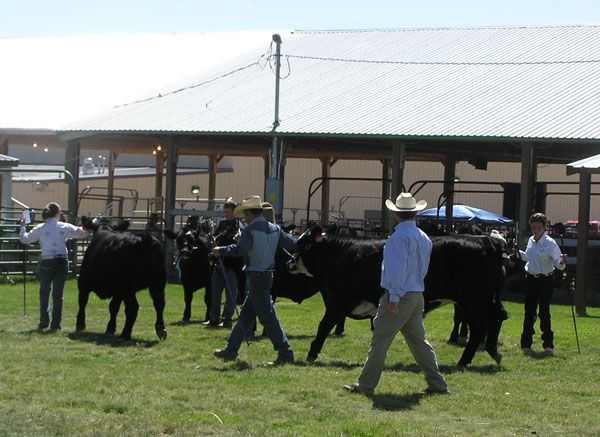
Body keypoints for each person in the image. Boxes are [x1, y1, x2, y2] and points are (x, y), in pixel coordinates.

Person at [344, 192, 448, 396]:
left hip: (400, 296)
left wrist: (394, 297)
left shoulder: (397, 238)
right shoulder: (424, 238)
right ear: (415, 213)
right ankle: (437, 384)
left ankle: (366, 385)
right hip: (417, 294)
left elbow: (395, 271)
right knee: (419, 343)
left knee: (380, 341)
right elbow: (423, 268)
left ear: (396, 214)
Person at [211, 195, 296, 365]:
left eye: (245, 214)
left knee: (268, 317)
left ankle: (285, 353)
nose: (244, 217)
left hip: (256, 276)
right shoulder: (275, 229)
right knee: (246, 315)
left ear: (250, 212)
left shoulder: (249, 231)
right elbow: (293, 244)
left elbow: (239, 250)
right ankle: (231, 349)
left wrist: (221, 249)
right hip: (267, 275)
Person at [19, 202, 88, 331]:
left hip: (47, 261)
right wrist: (89, 224)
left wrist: (22, 226)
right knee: (58, 295)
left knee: (44, 292)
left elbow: (25, 239)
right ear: (58, 213)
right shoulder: (65, 226)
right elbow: (82, 233)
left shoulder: (40, 228)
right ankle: (56, 325)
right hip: (62, 261)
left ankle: (43, 322)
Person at [517, 212, 567, 356]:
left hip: (546, 280)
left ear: (544, 228)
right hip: (531, 279)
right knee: (529, 312)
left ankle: (548, 344)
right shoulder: (531, 241)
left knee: (544, 312)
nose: (535, 230)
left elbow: (559, 265)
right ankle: (526, 344)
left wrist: (562, 261)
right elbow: (528, 257)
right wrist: (518, 253)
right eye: (533, 227)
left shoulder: (550, 243)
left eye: (538, 227)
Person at [204, 201, 243, 328]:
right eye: (224, 212)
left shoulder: (239, 226)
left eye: (228, 212)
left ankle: (227, 320)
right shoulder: (222, 224)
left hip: (231, 266)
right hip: (218, 264)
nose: (225, 215)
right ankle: (214, 318)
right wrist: (212, 243)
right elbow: (215, 239)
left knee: (230, 294)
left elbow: (238, 246)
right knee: (215, 293)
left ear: (234, 212)